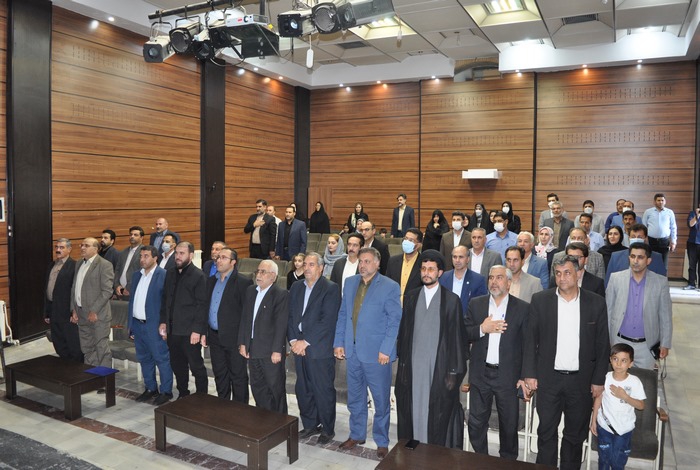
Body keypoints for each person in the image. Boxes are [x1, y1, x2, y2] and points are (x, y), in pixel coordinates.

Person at [523, 255, 609, 469]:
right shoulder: (540, 300)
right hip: (549, 380)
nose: (562, 278)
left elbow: (602, 345)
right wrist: (529, 374)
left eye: (567, 272)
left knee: (575, 435)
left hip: (581, 381)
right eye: (558, 273)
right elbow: (530, 340)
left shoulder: (596, 303)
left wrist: (599, 380)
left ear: (579, 273)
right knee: (546, 432)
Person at [334, 247, 402, 459]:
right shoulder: (350, 283)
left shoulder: (390, 286)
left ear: (377, 264)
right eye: (360, 261)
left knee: (380, 400)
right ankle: (357, 434)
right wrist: (339, 342)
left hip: (377, 354)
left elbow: (394, 321)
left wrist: (386, 349)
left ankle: (381, 440)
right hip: (352, 351)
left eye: (367, 261)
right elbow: (343, 314)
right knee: (355, 397)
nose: (362, 265)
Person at [395, 250, 467, 448]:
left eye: (431, 269)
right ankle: (413, 448)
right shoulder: (411, 297)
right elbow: (404, 333)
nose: (426, 273)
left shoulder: (451, 301)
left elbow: (457, 340)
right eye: (424, 269)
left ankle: (432, 453)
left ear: (440, 272)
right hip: (413, 367)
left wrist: (453, 373)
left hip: (439, 369)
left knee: (435, 413)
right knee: (412, 408)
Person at [466, 265, 530, 460]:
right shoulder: (476, 304)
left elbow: (528, 345)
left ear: (509, 283)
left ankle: (507, 462)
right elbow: (464, 332)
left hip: (508, 376)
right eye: (491, 277)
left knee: (509, 425)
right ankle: (482, 459)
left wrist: (524, 377)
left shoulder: (522, 308)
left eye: (499, 277)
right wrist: (482, 329)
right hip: (481, 373)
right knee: (476, 423)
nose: (494, 281)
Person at [288, 252, 341, 445]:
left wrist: (305, 341)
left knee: (322, 389)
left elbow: (327, 321)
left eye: (311, 264)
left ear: (321, 268)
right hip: (299, 347)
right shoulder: (296, 287)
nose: (307, 268)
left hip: (319, 348)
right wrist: (294, 340)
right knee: (303, 388)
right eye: (305, 264)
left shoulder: (330, 288)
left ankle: (327, 428)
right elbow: (290, 315)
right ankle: (310, 424)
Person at [606, 243, 672, 369]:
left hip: (646, 347)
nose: (635, 261)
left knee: (644, 380)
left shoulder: (660, 282)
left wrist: (665, 343)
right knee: (619, 379)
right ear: (629, 258)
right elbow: (608, 311)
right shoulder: (615, 279)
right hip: (619, 342)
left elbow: (665, 316)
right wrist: (607, 339)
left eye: (640, 257)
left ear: (648, 261)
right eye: (633, 256)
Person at [159, 241, 208, 399]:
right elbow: (165, 299)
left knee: (196, 367)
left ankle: (202, 397)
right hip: (173, 330)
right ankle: (183, 394)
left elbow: (202, 305)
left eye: (182, 253)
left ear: (191, 255)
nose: (178, 257)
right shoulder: (170, 273)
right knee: (177, 365)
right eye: (176, 253)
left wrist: (197, 330)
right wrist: (163, 321)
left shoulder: (199, 276)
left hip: (189, 332)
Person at [203, 248, 253, 402]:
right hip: (214, 337)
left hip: (234, 339)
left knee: (238, 377)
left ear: (233, 262)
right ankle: (223, 406)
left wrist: (244, 341)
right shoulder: (211, 281)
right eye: (218, 257)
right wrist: (204, 332)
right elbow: (205, 308)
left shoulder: (243, 282)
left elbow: (247, 315)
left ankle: (240, 409)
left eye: (223, 257)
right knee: (220, 374)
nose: (218, 260)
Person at [239, 260, 288, 413]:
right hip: (253, 348)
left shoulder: (280, 294)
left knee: (275, 388)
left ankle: (280, 420)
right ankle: (263, 418)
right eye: (258, 271)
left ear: (273, 276)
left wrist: (277, 350)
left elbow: (281, 325)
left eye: (263, 272)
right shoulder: (251, 291)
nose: (258, 275)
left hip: (270, 351)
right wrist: (243, 343)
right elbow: (245, 319)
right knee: (257, 387)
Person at [128, 245, 173, 405]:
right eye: (141, 256)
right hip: (138, 324)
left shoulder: (164, 275)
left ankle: (166, 391)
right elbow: (132, 301)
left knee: (161, 358)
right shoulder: (136, 275)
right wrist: (131, 325)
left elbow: (167, 303)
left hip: (154, 325)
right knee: (144, 358)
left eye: (146, 256)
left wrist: (164, 324)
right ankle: (150, 388)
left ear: (155, 258)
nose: (142, 259)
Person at [590, 344, 646, 470]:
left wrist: (625, 397)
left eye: (624, 360)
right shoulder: (605, 377)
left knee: (618, 462)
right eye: (615, 359)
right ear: (610, 360)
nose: (619, 364)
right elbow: (598, 399)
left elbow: (641, 405)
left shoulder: (634, 382)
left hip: (624, 429)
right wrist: (593, 420)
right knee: (604, 459)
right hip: (605, 426)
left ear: (630, 364)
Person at [70, 237, 114, 368]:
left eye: (86, 245)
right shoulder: (79, 263)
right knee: (87, 347)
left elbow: (107, 291)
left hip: (98, 315)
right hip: (81, 312)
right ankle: (91, 374)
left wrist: (94, 310)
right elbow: (74, 288)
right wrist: (74, 309)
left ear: (96, 249)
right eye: (81, 245)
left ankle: (105, 377)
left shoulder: (104, 265)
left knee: (101, 347)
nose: (82, 248)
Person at [44, 238, 82, 362]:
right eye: (57, 247)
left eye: (62, 247)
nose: (58, 250)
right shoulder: (51, 265)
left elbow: (76, 290)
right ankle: (65, 367)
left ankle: (76, 368)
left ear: (69, 249)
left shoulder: (74, 266)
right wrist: (47, 312)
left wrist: (74, 311)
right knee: (58, 342)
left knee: (72, 343)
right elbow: (47, 289)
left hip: (67, 311)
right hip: (53, 310)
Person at [439, 245, 487, 314]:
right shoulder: (443, 278)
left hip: (468, 319)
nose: (457, 260)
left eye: (461, 257)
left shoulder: (478, 280)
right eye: (454, 257)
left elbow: (481, 306)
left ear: (468, 259)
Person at [386, 228, 423, 304]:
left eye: (411, 240)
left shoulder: (423, 264)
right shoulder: (393, 261)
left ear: (418, 245)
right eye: (406, 239)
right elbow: (387, 284)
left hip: (413, 306)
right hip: (394, 305)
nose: (406, 242)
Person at [642, 193, 677, 269]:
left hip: (664, 241)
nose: (660, 202)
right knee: (651, 264)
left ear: (665, 201)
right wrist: (645, 239)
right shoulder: (648, 212)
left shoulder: (670, 212)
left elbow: (673, 227)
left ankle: (662, 277)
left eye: (662, 200)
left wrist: (673, 242)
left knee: (663, 265)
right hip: (651, 241)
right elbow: (644, 226)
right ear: (654, 202)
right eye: (658, 200)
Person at [114, 226, 145, 298]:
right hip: (120, 291)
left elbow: (142, 272)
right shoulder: (123, 252)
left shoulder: (144, 252)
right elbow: (117, 270)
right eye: (131, 234)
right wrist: (117, 285)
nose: (132, 236)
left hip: (134, 291)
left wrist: (129, 288)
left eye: (135, 235)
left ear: (141, 237)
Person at [686, 202, 700, 290]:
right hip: (692, 242)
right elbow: (690, 224)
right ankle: (691, 284)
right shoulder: (692, 213)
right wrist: (697, 216)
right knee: (692, 265)